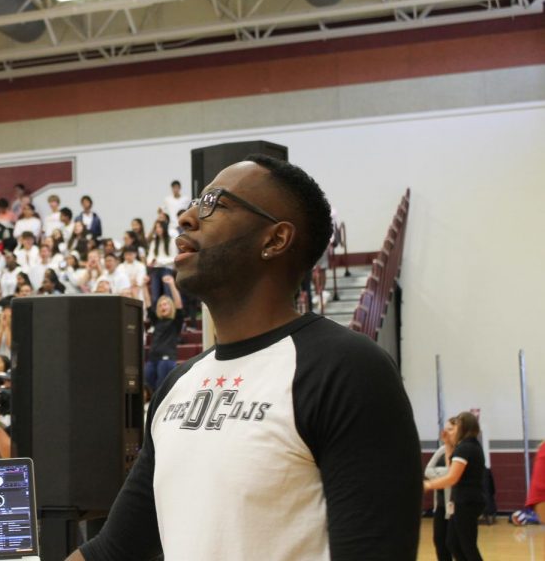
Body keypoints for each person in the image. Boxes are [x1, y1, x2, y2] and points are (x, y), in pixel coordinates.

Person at [69, 156, 422, 561]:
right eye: (193, 203)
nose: (185, 217)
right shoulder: (179, 384)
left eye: (214, 203)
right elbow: (114, 551)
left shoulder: (348, 370)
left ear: (275, 240)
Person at [424, 411, 486, 561]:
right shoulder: (464, 446)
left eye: (455, 426)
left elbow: (452, 477)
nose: (451, 431)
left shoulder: (466, 448)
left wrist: (428, 485)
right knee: (452, 543)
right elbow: (450, 466)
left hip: (467, 502)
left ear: (463, 427)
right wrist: (447, 445)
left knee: (467, 546)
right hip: (460, 501)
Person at [145, 275, 184, 391]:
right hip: (153, 358)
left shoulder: (175, 321)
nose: (162, 306)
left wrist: (172, 284)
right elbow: (147, 304)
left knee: (162, 388)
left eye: (165, 304)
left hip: (167, 359)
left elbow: (179, 304)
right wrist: (143, 286)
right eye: (160, 305)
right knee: (148, 379)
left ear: (170, 306)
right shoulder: (157, 321)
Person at [425, 420, 456, 561]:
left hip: (456, 505)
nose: (446, 432)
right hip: (441, 505)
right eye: (445, 429)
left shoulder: (463, 450)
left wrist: (441, 473)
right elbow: (428, 470)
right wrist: (445, 473)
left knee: (455, 544)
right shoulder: (442, 450)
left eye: (450, 429)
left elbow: (455, 474)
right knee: (439, 541)